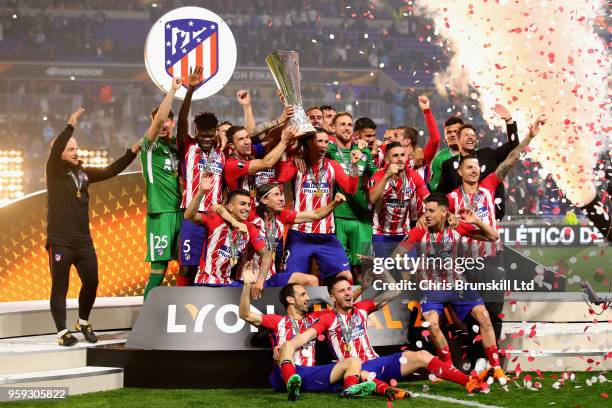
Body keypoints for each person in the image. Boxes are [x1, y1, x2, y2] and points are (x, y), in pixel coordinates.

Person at [446, 115, 547, 372]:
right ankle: (477, 354)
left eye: (476, 167)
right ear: (460, 171)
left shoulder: (490, 186)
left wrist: (530, 136)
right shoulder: (451, 199)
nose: (474, 170)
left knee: (493, 309)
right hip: (464, 261)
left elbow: (511, 159)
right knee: (471, 311)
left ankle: (490, 359)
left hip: (491, 258)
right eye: (469, 167)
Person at [281, 275, 488, 394]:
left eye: (348, 289)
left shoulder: (362, 307)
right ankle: (372, 389)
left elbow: (395, 292)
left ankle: (469, 382)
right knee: (363, 374)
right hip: (355, 368)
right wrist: (285, 348)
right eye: (341, 291)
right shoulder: (327, 317)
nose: (347, 293)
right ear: (332, 296)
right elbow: (304, 336)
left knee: (423, 355)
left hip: (378, 363)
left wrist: (383, 273)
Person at [46, 107, 139, 346]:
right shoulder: (54, 171)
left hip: (83, 240)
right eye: (71, 149)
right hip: (60, 240)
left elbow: (111, 170)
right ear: (61, 153)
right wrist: (70, 125)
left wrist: (132, 152)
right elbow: (56, 148)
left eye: (77, 148)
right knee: (60, 287)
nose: (76, 152)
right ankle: (61, 332)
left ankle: (83, 322)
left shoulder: (84, 174)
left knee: (92, 281)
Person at [400, 193, 507, 383]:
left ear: (444, 212)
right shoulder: (420, 231)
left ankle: (496, 368)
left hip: (457, 284)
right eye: (425, 211)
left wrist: (476, 220)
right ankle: (448, 367)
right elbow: (398, 253)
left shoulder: (457, 228)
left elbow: (493, 236)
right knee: (431, 324)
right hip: (431, 288)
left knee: (483, 315)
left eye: (431, 211)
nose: (426, 215)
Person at [238, 265, 377, 400]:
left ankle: (352, 390)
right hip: (282, 371)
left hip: (308, 373)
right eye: (303, 294)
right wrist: (247, 285)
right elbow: (245, 314)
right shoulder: (277, 321)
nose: (308, 298)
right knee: (287, 345)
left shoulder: (315, 318)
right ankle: (290, 382)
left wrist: (363, 287)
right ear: (290, 299)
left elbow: (342, 301)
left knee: (352, 362)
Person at [276, 128, 359, 284]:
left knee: (346, 277)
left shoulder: (332, 165)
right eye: (319, 141)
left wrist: (354, 166)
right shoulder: (298, 163)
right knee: (293, 280)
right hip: (300, 234)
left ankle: (331, 307)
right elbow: (282, 176)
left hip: (326, 235)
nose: (324, 145)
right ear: (308, 143)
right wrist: (290, 155)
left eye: (326, 141)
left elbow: (350, 189)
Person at [247, 183, 347, 294]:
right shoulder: (250, 217)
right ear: (264, 200)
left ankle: (316, 311)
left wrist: (334, 204)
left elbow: (316, 215)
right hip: (249, 278)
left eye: (281, 194)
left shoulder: (283, 217)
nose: (281, 199)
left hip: (271, 277)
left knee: (312, 280)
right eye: (276, 195)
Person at [175, 66, 225, 286]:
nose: (206, 139)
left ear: (216, 132)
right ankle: (180, 310)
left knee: (213, 265)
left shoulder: (223, 153)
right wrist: (190, 91)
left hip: (215, 217)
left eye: (210, 135)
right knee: (187, 266)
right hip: (192, 216)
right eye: (202, 135)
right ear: (196, 132)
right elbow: (181, 121)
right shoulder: (188, 147)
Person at [140, 77, 183, 299]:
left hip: (182, 213)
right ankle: (145, 320)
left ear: (173, 123)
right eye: (160, 120)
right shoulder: (149, 147)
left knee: (188, 265)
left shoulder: (177, 147)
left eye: (168, 120)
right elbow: (156, 125)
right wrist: (173, 90)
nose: (164, 124)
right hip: (161, 214)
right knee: (158, 271)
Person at [437, 104, 519, 220]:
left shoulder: (488, 155)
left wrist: (509, 121)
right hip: (460, 222)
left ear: (476, 139)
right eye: (466, 135)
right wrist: (446, 214)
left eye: (472, 135)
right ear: (458, 140)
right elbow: (440, 195)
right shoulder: (449, 165)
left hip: (489, 219)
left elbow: (513, 146)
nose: (470, 137)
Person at [185, 184, 272, 290]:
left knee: (253, 291)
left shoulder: (250, 228)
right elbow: (189, 216)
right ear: (230, 207)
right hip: (206, 281)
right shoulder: (215, 219)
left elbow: (266, 254)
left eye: (249, 205)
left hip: (227, 282)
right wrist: (201, 191)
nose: (247, 208)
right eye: (242, 204)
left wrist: (260, 282)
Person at [326, 112, 376, 281]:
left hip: (362, 218)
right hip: (338, 217)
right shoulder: (329, 150)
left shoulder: (364, 152)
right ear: (333, 128)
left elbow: (374, 176)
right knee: (340, 272)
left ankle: (364, 306)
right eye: (342, 124)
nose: (346, 128)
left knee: (364, 271)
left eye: (349, 124)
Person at [368, 142, 429, 256]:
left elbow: (430, 200)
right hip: (380, 235)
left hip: (404, 234)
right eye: (395, 156)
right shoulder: (378, 176)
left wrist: (425, 215)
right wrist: (387, 176)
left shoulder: (413, 176)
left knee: (410, 270)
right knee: (383, 272)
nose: (400, 159)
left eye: (402, 155)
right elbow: (372, 199)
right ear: (386, 160)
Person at [428, 116, 464, 192]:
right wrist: (446, 183)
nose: (452, 135)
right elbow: (432, 186)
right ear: (445, 135)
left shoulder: (475, 154)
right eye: (449, 132)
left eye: (456, 131)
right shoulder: (439, 159)